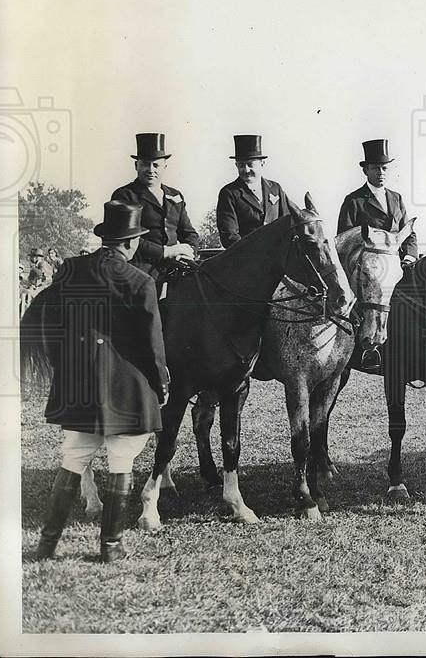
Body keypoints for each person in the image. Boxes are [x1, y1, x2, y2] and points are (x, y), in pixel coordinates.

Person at [25, 201, 168, 563]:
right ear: (132, 242)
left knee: (73, 459)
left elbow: (53, 323)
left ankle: (47, 544)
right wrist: (161, 382)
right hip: (126, 390)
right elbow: (152, 346)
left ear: (107, 238)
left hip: (81, 387)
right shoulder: (142, 282)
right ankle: (111, 546)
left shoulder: (71, 270)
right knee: (122, 461)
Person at [337, 139, 418, 370]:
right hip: (369, 270)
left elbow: (408, 233)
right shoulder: (353, 201)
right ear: (366, 170)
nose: (381, 173)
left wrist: (410, 256)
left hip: (396, 265)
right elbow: (345, 240)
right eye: (375, 168)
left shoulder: (397, 198)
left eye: (384, 168)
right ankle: (367, 351)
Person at [110, 133, 199, 291]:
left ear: (165, 166)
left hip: (175, 269)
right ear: (136, 165)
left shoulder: (175, 195)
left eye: (156, 165)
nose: (150, 170)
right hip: (139, 269)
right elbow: (125, 238)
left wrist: (187, 252)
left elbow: (190, 233)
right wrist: (166, 252)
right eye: (145, 164)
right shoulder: (125, 195)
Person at [215, 134, 297, 248]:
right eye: (241, 165)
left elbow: (288, 223)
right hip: (246, 259)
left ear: (262, 163)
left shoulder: (275, 188)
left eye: (250, 164)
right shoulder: (229, 193)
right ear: (236, 165)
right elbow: (229, 236)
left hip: (278, 257)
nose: (246, 170)